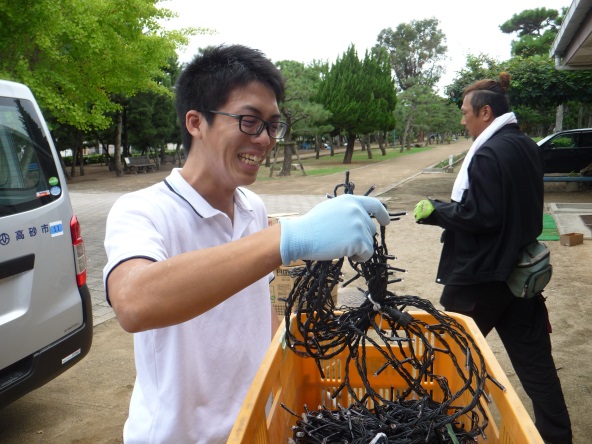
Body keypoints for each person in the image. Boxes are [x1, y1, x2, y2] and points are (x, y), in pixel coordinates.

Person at [103, 44, 390, 444]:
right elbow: (133, 302)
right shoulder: (143, 210)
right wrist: (290, 237)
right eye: (250, 121)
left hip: (255, 423)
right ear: (195, 122)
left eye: (273, 125)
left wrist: (290, 356)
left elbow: (253, 308)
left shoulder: (252, 206)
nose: (265, 139)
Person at [413, 73, 572, 443]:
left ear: (485, 112)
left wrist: (436, 211)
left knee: (446, 359)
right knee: (537, 368)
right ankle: (557, 436)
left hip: (479, 279)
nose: (462, 120)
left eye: (466, 112)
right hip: (520, 275)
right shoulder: (525, 145)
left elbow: (481, 216)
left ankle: (433, 432)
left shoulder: (487, 152)